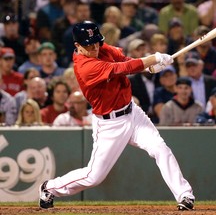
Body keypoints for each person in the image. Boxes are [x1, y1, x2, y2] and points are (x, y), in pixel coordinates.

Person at [39, 20, 195, 211]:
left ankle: (185, 195)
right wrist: (153, 59)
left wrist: (149, 67)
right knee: (93, 176)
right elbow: (121, 70)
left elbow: (126, 61)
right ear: (77, 45)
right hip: (109, 124)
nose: (95, 47)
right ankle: (50, 187)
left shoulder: (101, 48)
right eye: (89, 45)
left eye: (96, 42)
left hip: (132, 112)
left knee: (160, 149)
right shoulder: (85, 67)